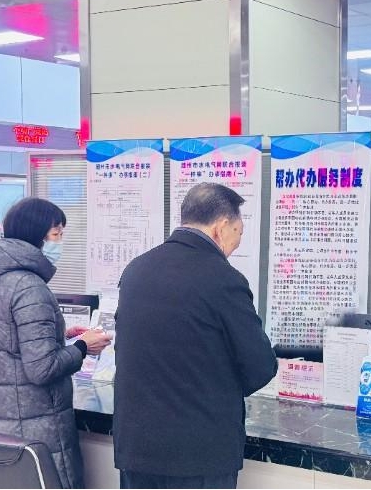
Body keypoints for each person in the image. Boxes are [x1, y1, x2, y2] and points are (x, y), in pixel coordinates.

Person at [113, 182, 277, 489]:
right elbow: (260, 367)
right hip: (198, 455)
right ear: (221, 226)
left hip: (137, 449)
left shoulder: (136, 270)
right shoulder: (223, 278)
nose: (235, 245)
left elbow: (127, 349)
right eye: (238, 233)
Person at [0, 197, 112, 489]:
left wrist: (62, 335)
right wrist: (83, 347)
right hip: (31, 428)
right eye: (56, 234)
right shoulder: (30, 287)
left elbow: (6, 340)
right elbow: (42, 369)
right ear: (37, 236)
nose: (60, 242)